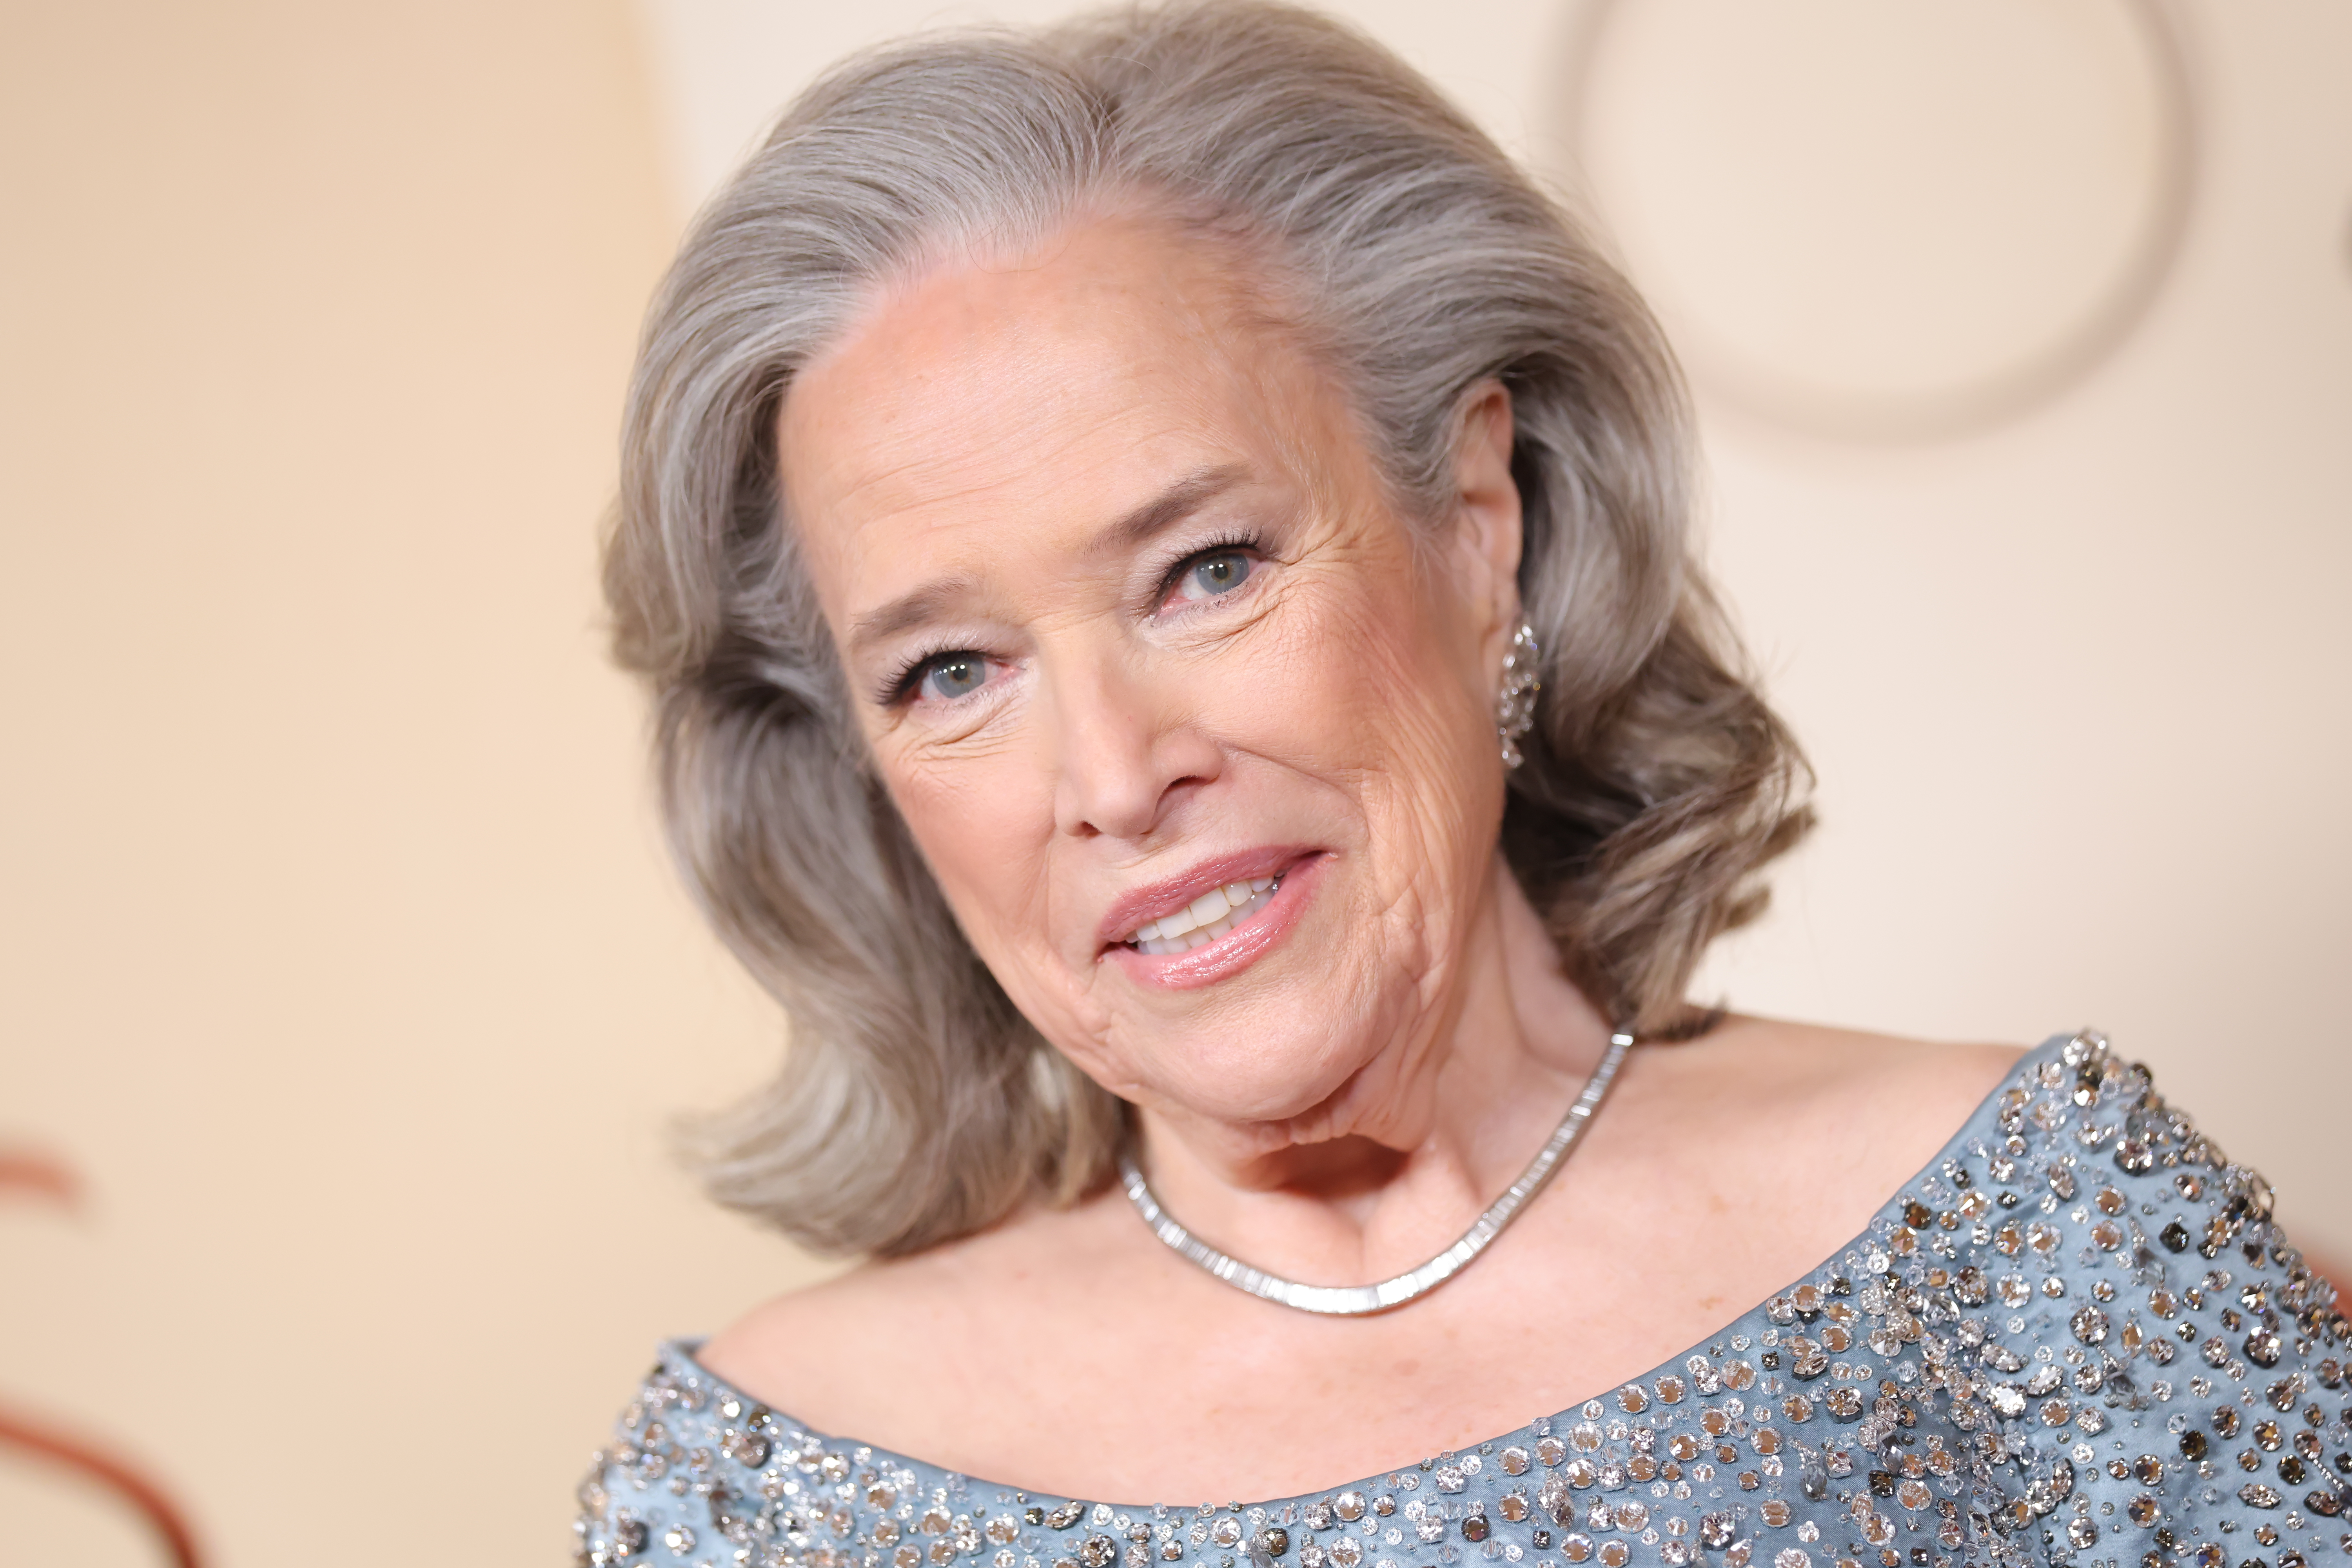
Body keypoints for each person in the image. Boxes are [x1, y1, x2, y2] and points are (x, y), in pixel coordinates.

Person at [576, 4, 2349, 1566]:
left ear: (1474, 523)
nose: (1113, 775)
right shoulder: (765, 1497)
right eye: (951, 672)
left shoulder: (2039, 1227)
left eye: (1207, 568)